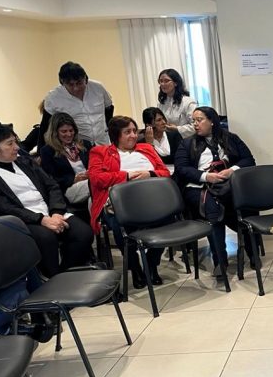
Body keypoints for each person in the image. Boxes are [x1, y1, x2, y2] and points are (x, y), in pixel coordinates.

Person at [0, 124, 93, 277]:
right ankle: (51, 277)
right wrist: (41, 219)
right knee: (46, 238)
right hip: (23, 219)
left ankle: (65, 273)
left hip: (51, 211)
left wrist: (56, 212)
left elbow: (52, 185)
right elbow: (4, 206)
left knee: (83, 233)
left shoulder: (25, 161)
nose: (17, 147)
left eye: (15, 142)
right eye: (10, 144)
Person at [88, 116, 171, 289]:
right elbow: (96, 179)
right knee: (121, 227)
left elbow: (164, 172)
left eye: (134, 131)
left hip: (152, 200)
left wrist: (150, 174)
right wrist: (126, 175)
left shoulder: (146, 148)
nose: (133, 135)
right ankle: (135, 268)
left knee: (170, 220)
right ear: (116, 135)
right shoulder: (100, 152)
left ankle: (151, 264)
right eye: (127, 132)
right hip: (119, 204)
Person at [175, 106, 256, 279]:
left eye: (199, 120)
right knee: (213, 209)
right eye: (193, 121)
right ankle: (220, 261)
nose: (195, 124)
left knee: (245, 205)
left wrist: (231, 170)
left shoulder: (231, 138)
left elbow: (249, 160)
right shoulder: (186, 144)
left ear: (212, 121)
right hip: (199, 187)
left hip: (227, 184)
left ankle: (252, 252)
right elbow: (181, 169)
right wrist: (206, 176)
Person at [41, 61, 114, 146]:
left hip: (103, 141)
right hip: (77, 146)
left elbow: (109, 109)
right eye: (70, 85)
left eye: (79, 83)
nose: (76, 88)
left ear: (85, 79)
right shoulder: (53, 97)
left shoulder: (98, 88)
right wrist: (41, 151)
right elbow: (45, 126)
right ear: (62, 83)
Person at [39, 113, 92, 211]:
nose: (69, 134)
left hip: (90, 183)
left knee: (94, 197)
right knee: (97, 184)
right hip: (68, 188)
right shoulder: (47, 151)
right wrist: (74, 179)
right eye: (64, 131)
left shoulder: (85, 144)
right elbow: (50, 180)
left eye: (71, 130)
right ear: (55, 132)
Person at [157, 69, 198, 139]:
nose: (162, 84)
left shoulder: (188, 102)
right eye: (161, 81)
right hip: (167, 139)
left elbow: (195, 126)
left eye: (166, 81)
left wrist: (177, 129)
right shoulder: (161, 103)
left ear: (175, 83)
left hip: (186, 140)